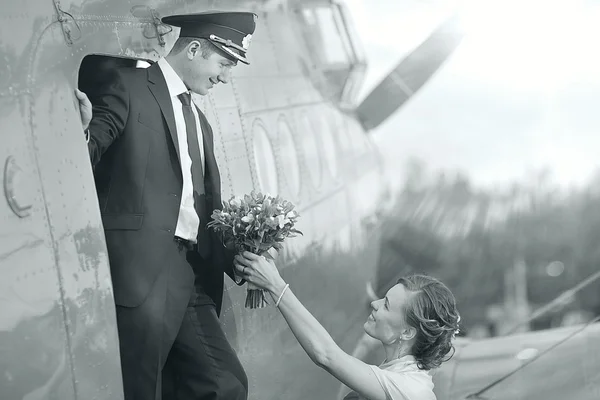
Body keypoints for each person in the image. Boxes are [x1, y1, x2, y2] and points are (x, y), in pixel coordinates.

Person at [74, 11, 257, 400]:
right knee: (140, 389)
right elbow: (87, 154)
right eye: (224, 63)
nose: (226, 77)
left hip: (192, 274)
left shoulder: (200, 122)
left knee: (225, 384)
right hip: (141, 274)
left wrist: (240, 254)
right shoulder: (127, 87)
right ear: (194, 48)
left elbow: (206, 209)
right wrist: (83, 131)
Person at [234, 252, 460, 400]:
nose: (374, 303)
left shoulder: (410, 390)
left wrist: (275, 285)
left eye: (387, 305)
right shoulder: (401, 373)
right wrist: (364, 346)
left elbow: (326, 355)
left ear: (408, 332)